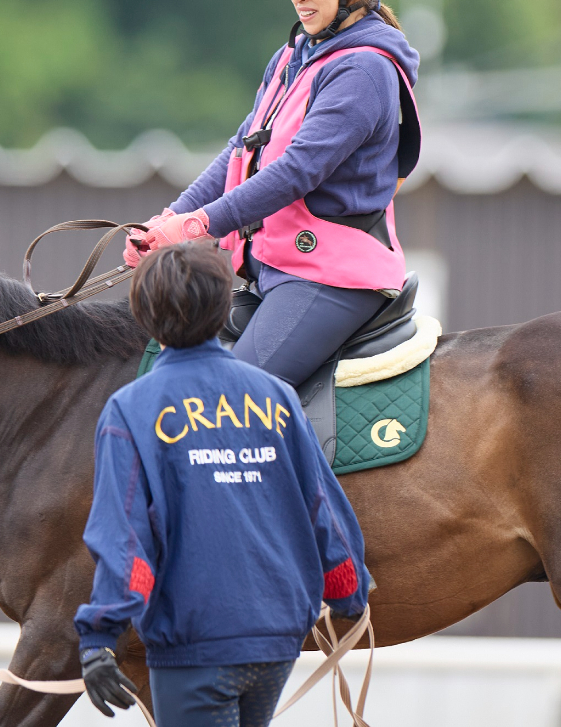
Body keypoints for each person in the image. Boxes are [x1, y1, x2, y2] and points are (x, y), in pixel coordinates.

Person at [76, 242, 373, 726]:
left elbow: (125, 538)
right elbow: (322, 504)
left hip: (195, 644)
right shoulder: (276, 395)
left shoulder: (130, 409)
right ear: (223, 309)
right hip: (276, 642)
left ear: (143, 313)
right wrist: (347, 592)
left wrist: (99, 637)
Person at [124, 0, 421, 386]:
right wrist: (168, 220)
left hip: (329, 277)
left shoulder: (364, 70)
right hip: (273, 271)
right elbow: (240, 148)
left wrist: (199, 225)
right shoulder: (293, 55)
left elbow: (296, 171)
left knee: (227, 398)